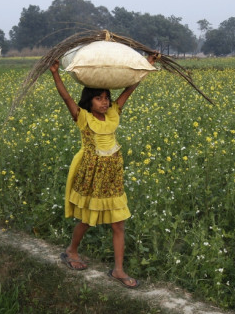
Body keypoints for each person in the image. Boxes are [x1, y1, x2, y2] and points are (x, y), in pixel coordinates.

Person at [49, 53, 159, 289]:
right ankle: (71, 250)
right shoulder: (82, 117)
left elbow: (129, 90)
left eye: (106, 98)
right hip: (92, 173)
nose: (104, 102)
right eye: (98, 98)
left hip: (112, 174)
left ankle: (118, 270)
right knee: (88, 219)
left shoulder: (113, 113)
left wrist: (145, 67)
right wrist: (55, 73)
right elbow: (66, 96)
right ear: (88, 101)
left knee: (119, 222)